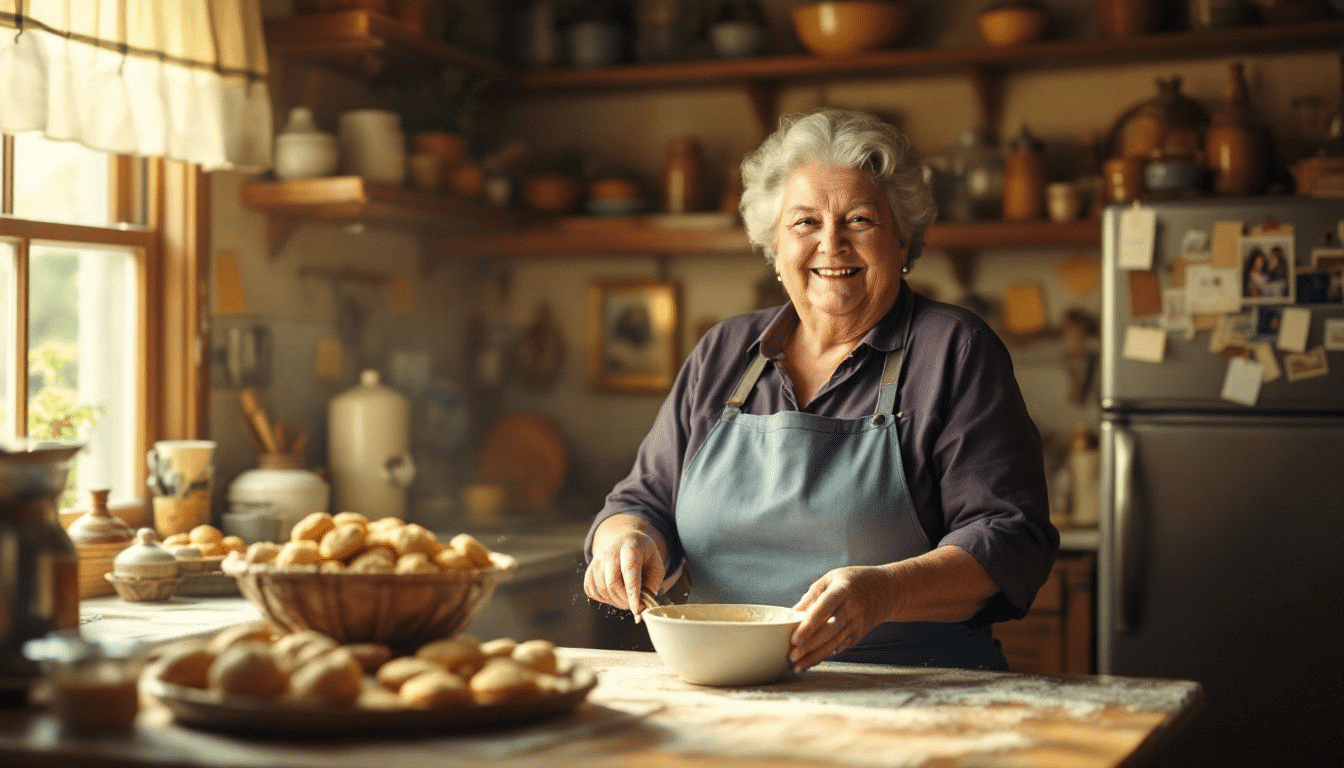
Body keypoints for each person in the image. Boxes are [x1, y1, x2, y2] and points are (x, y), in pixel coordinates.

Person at [583, 109, 1058, 673]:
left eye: (860, 219)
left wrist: (884, 593)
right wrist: (626, 540)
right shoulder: (723, 353)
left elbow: (1009, 536)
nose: (831, 244)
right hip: (732, 687)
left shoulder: (954, 350)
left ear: (903, 240)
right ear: (774, 248)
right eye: (804, 223)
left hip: (914, 694)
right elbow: (641, 504)